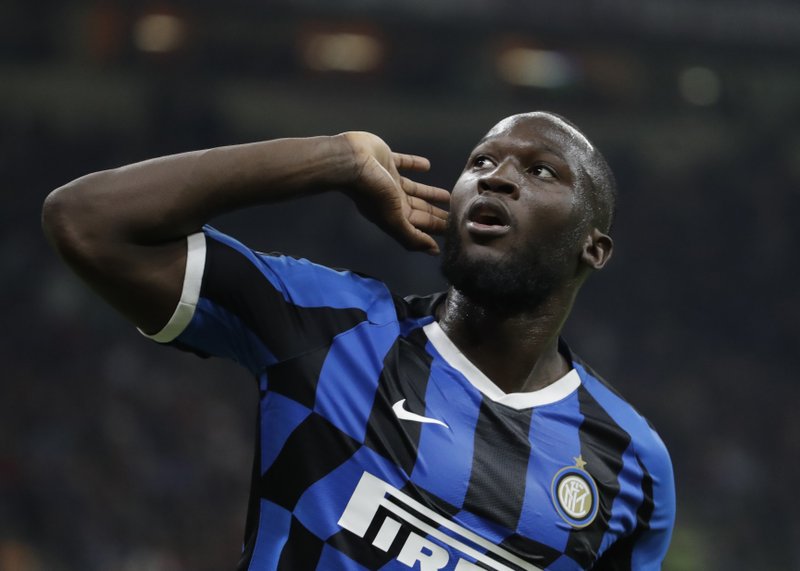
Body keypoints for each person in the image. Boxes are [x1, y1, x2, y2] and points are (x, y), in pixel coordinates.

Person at [42, 112, 675, 570]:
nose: (496, 178)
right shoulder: (330, 326)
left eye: (539, 171)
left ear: (593, 247)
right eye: (481, 162)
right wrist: (336, 158)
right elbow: (87, 220)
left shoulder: (632, 466)